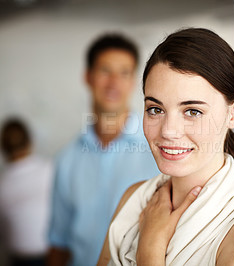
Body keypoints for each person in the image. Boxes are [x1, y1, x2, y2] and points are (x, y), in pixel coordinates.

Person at [97, 28, 234, 265]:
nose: (168, 130)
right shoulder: (134, 198)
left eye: (192, 111)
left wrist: (151, 249)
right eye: (156, 109)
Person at [47, 34, 159, 266]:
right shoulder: (67, 159)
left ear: (133, 82)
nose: (114, 83)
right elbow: (59, 243)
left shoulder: (160, 151)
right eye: (105, 71)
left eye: (124, 73)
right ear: (88, 77)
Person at [0, 118, 53, 266]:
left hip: (19, 259)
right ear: (30, 142)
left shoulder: (2, 184)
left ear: (3, 148)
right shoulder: (50, 169)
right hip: (53, 256)